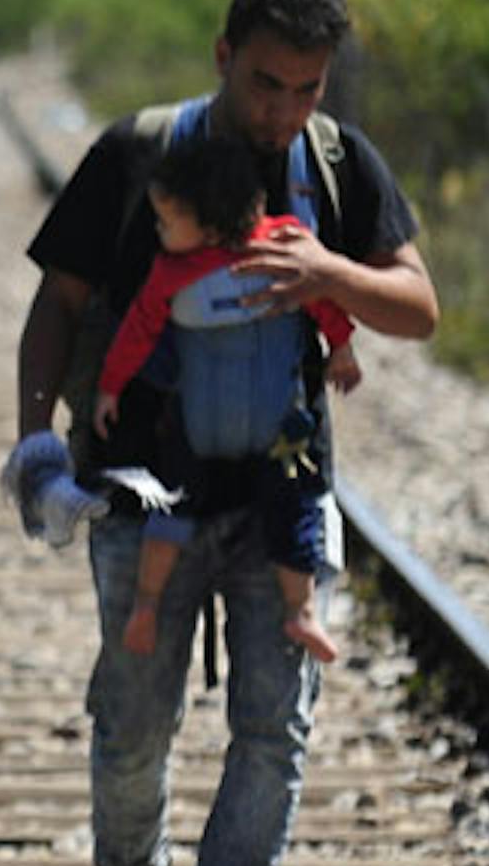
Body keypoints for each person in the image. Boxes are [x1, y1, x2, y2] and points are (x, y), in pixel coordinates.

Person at [11, 0, 437, 866]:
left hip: (283, 498)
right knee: (135, 713)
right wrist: (35, 444)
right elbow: (59, 303)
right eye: (264, 84)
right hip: (145, 495)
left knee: (274, 723)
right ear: (221, 57)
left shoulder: (336, 167)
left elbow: (418, 306)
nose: (282, 110)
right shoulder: (137, 156)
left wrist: (331, 274)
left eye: (305, 88)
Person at [92, 125, 363, 667]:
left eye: (167, 221)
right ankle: (147, 604)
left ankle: (300, 611)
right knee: (169, 508)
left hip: (275, 434)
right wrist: (110, 386)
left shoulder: (284, 247)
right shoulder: (170, 272)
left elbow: (323, 299)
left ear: (211, 222)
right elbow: (138, 334)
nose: (159, 231)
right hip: (203, 431)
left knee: (294, 511)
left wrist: (341, 347)